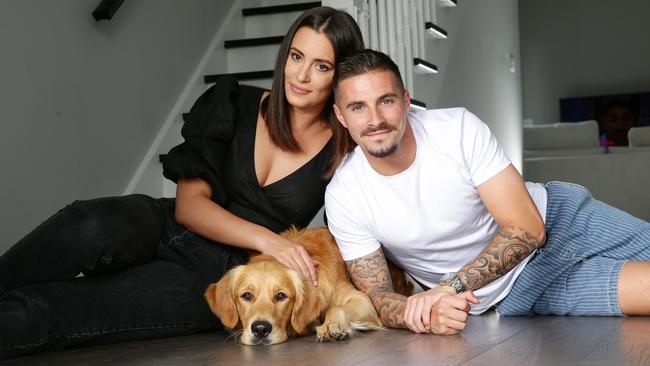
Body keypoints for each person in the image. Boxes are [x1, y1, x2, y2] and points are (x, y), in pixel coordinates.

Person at [0, 7, 363, 360]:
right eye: (296, 56)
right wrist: (271, 240)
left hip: (223, 277)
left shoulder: (344, 149)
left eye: (321, 66)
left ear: (340, 76)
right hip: (166, 225)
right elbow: (189, 208)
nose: (300, 76)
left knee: (52, 310)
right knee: (88, 224)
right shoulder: (235, 102)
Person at [324, 49, 650, 336]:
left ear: (406, 101)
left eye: (386, 101)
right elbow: (378, 295)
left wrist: (446, 289)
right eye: (358, 108)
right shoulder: (344, 194)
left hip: (561, 219)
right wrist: (424, 314)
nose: (376, 120)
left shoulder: (456, 128)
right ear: (341, 115)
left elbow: (528, 229)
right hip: (517, 291)